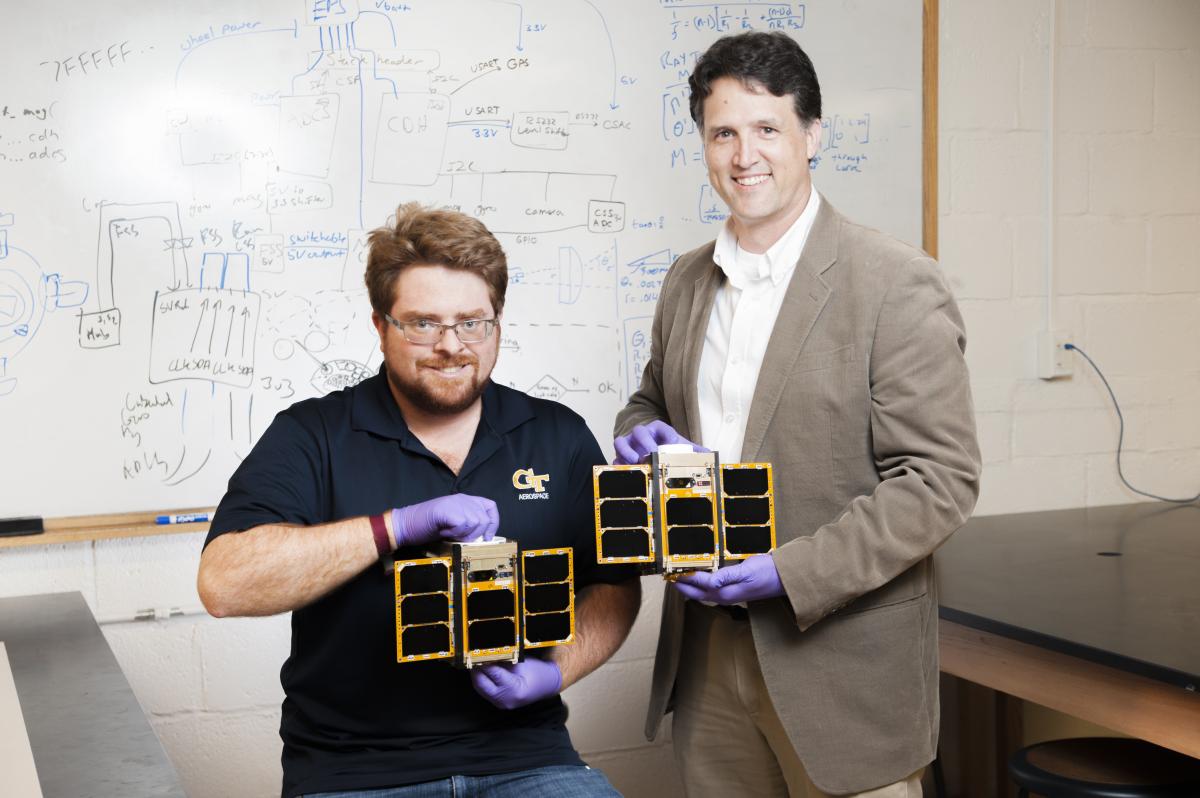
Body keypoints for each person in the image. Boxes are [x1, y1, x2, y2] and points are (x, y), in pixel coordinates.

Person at [614, 31, 981, 798]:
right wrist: (636, 434)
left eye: (766, 129)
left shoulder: (895, 282)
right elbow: (651, 399)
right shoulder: (687, 282)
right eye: (723, 133)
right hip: (707, 660)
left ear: (812, 136)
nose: (744, 155)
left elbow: (939, 482)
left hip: (842, 667)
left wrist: (788, 572)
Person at [197, 202, 641, 798]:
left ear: (498, 322)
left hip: (527, 759)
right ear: (381, 326)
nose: (451, 345)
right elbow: (225, 584)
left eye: (472, 322)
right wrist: (393, 528)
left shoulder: (555, 434)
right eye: (423, 323)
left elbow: (613, 584)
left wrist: (553, 672)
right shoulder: (313, 434)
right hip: (353, 772)